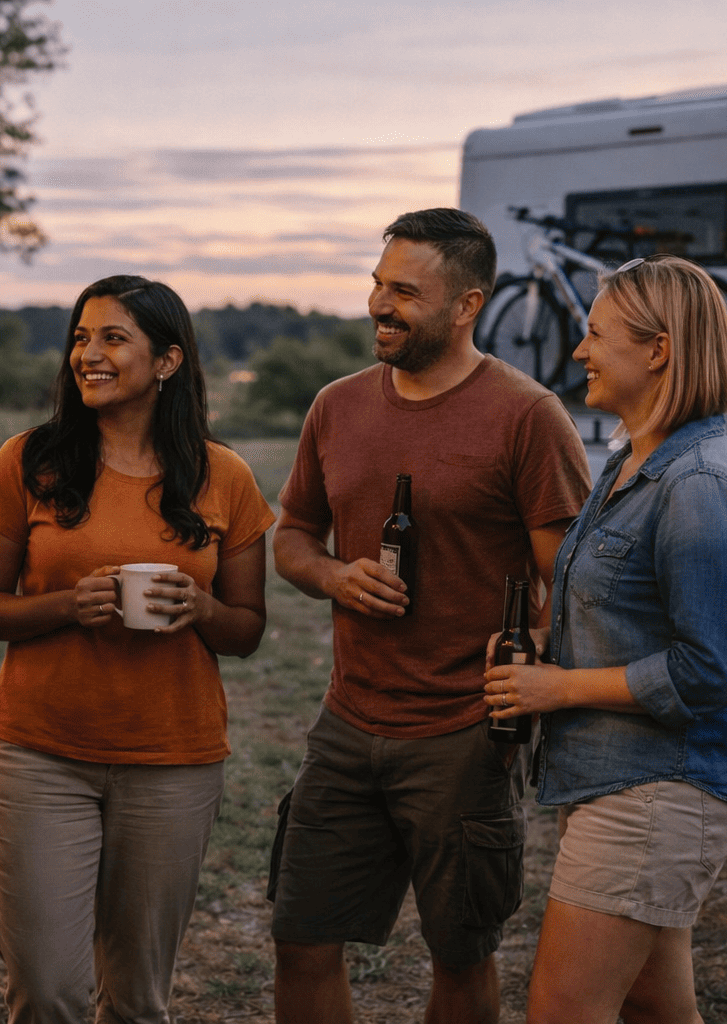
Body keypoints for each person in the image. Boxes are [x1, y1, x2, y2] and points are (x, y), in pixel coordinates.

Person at [270, 208, 592, 1024]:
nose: (380, 304)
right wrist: (336, 577)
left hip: (463, 733)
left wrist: (538, 654)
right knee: (301, 936)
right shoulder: (337, 407)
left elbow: (578, 583)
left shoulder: (527, 417)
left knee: (459, 952)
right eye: (378, 284)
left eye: (405, 292)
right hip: (347, 721)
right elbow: (294, 539)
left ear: (467, 304)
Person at [0, 274, 276, 1023]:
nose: (88, 354)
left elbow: (248, 630)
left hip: (174, 762)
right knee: (46, 991)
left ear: (167, 361)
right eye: (80, 337)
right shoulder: (27, 460)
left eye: (111, 338)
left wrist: (200, 607)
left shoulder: (222, 475)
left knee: (137, 1000)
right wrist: (71, 605)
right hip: (40, 756)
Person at [483, 254, 727, 1024]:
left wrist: (560, 688)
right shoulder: (628, 464)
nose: (578, 352)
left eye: (595, 334)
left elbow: (707, 671)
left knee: (563, 1011)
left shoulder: (699, 485)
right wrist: (545, 646)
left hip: (655, 792)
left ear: (658, 350)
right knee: (655, 1008)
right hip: (619, 781)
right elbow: (624, 617)